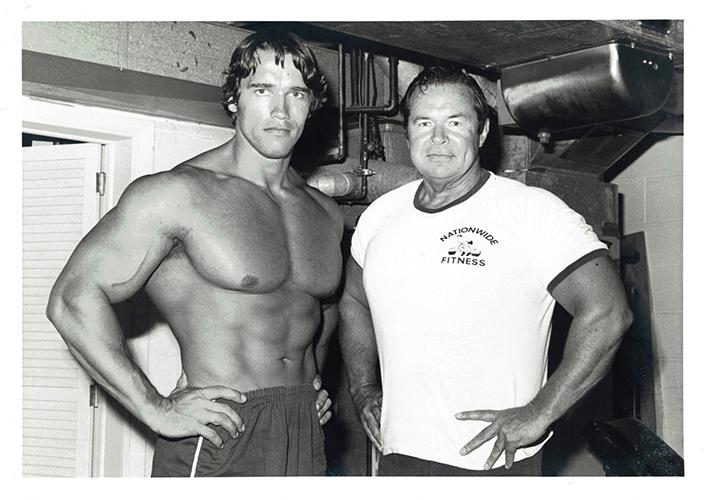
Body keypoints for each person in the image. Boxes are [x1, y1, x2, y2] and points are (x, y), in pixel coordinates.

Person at [46, 30, 343, 477]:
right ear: (233, 100)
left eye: (296, 94)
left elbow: (323, 306)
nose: (280, 111)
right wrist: (154, 407)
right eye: (262, 90)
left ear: (310, 105)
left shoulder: (325, 212)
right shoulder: (178, 194)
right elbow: (72, 299)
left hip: (304, 425)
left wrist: (314, 382)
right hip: (225, 428)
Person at [339, 66, 633, 476]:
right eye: (424, 122)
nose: (437, 138)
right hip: (397, 454)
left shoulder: (529, 211)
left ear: (481, 132)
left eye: (455, 122)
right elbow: (353, 301)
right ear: (407, 133)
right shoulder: (379, 216)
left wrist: (541, 411)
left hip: (492, 462)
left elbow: (608, 312)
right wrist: (363, 386)